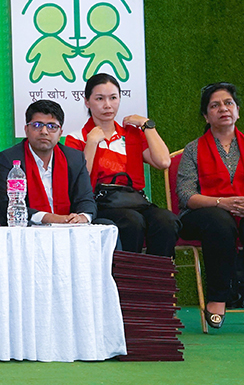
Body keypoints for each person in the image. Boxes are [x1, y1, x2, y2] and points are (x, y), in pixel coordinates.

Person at [175, 82, 244, 331]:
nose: (223, 109)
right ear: (206, 116)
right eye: (215, 105)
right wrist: (222, 203)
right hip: (204, 215)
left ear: (237, 111)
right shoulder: (193, 150)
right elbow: (186, 195)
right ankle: (218, 297)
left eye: (228, 103)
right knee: (219, 221)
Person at [64, 74, 176, 255]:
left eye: (113, 98)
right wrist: (91, 143)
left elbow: (163, 162)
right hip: (100, 204)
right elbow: (78, 181)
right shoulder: (76, 138)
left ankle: (156, 272)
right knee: (132, 221)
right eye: (99, 99)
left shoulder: (131, 135)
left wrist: (147, 125)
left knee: (167, 220)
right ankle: (128, 272)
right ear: (87, 102)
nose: (107, 105)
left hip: (134, 201)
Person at [0, 100, 96, 225]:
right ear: (26, 130)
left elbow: (86, 199)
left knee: (107, 224)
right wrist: (51, 218)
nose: (44, 131)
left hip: (67, 227)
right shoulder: (9, 159)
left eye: (52, 126)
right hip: (23, 227)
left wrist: (82, 217)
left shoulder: (74, 158)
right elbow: (7, 204)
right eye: (37, 125)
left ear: (60, 133)